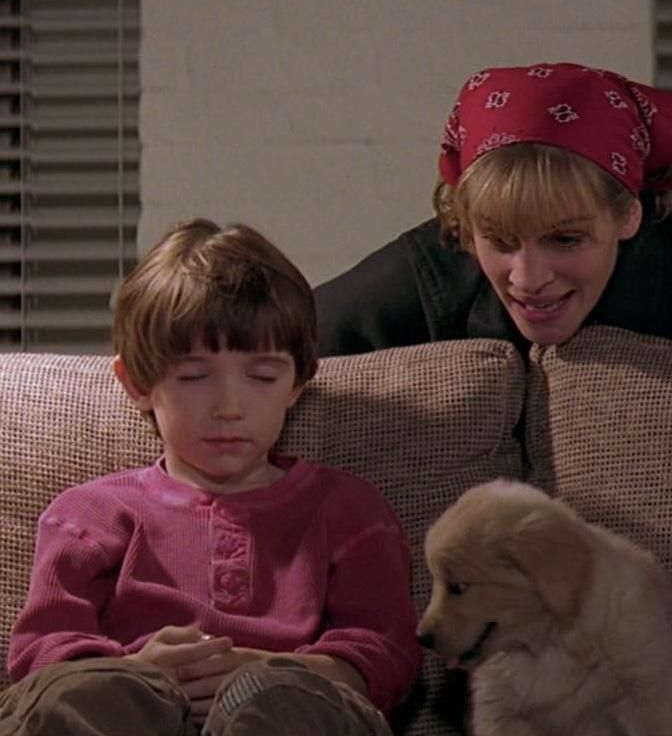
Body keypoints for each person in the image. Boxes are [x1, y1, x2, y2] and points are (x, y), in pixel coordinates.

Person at [1, 220, 421, 735]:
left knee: (285, 701)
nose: (229, 407)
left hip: (286, 704)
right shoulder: (89, 515)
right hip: (130, 709)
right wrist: (138, 672)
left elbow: (386, 654)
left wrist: (267, 671)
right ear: (137, 383)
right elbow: (41, 651)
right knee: (78, 695)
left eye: (262, 376)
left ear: (297, 382)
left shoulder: (346, 508)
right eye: (194, 376)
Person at [314, 61, 672, 367]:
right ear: (467, 229)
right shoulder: (436, 270)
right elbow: (279, 336)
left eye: (564, 239)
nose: (528, 279)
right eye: (500, 240)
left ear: (629, 215)